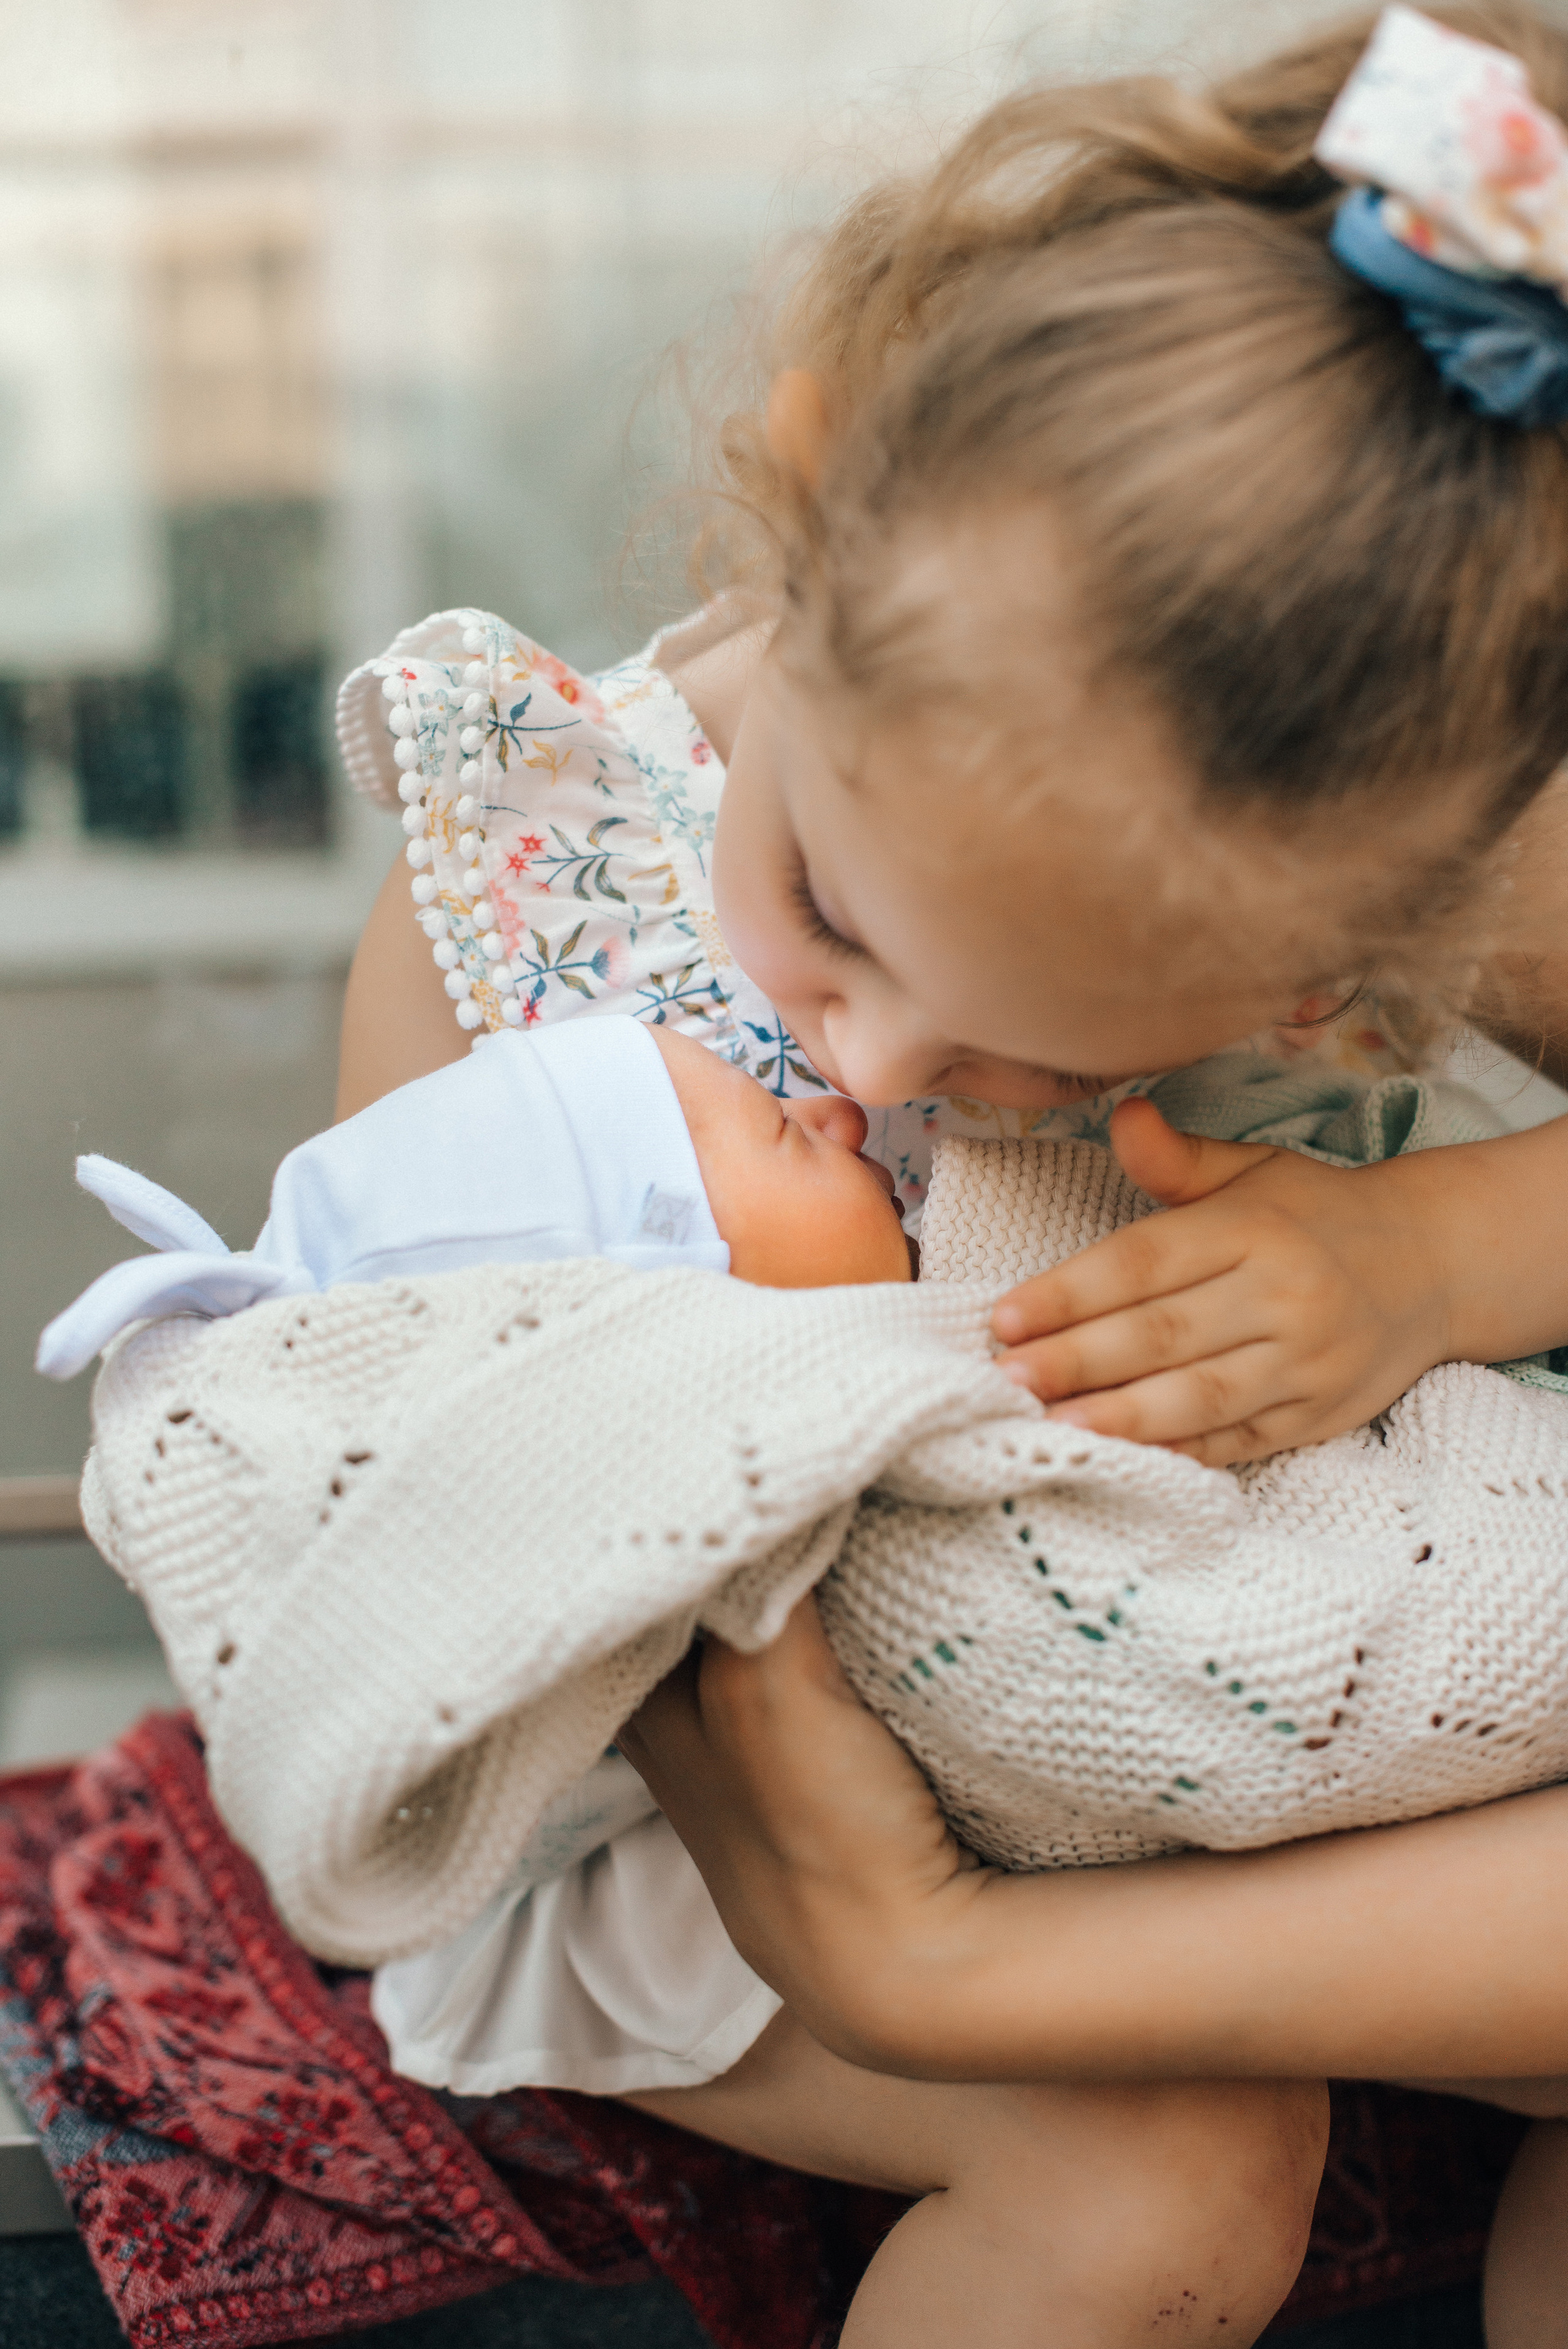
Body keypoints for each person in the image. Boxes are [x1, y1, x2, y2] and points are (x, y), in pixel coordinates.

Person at [326, 5, 1568, 2340]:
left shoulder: (1399, 827)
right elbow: (383, 1501)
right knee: (1166, 2176)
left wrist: (1439, 1249)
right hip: (718, 1812)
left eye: (1031, 1048)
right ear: (810, 497)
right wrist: (752, 1396)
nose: (867, 1050)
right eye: (832, 911)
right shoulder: (535, 885)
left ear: (1358, 953)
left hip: (1315, 1696)